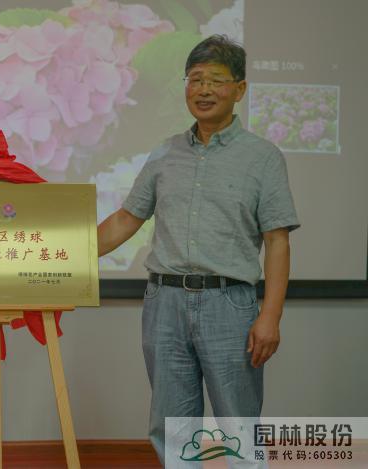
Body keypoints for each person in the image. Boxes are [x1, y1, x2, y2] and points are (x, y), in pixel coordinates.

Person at [97, 35, 299, 465]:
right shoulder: (164, 153)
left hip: (229, 303)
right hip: (164, 303)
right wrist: (65, 254)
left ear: (239, 89)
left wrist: (270, 316)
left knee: (238, 426)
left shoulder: (263, 157)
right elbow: (126, 220)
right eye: (195, 79)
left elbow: (277, 241)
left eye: (216, 80)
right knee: (172, 426)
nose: (204, 90)